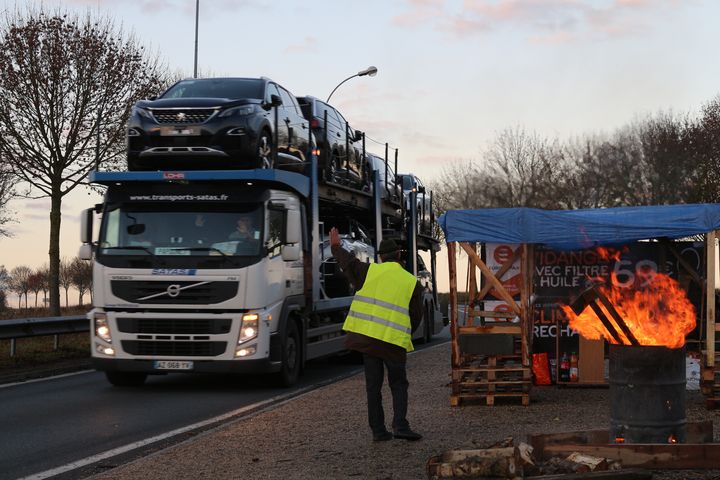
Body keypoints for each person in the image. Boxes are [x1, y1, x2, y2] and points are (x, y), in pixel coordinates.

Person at [329, 227, 423, 442]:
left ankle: (378, 431)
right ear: (399, 256)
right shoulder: (411, 282)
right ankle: (400, 426)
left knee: (373, 387)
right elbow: (416, 317)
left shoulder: (369, 272)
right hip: (393, 343)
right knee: (398, 385)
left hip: (368, 341)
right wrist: (404, 332)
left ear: (381, 257)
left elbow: (348, 262)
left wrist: (336, 247)